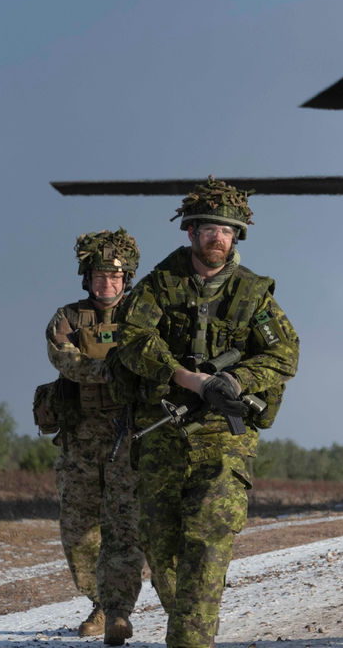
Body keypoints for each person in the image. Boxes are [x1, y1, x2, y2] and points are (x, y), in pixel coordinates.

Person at [111, 176, 298, 648]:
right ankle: (189, 622)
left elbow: (285, 354)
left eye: (228, 230)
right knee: (164, 549)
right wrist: (186, 378)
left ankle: (191, 641)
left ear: (237, 237)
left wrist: (235, 381)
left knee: (207, 544)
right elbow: (131, 340)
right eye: (210, 228)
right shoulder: (158, 285)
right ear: (190, 231)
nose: (219, 237)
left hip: (223, 438)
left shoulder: (253, 295)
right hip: (161, 434)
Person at [43, 228, 145, 645]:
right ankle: (99, 599)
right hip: (81, 438)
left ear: (127, 280)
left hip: (129, 435)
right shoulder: (66, 317)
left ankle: (117, 610)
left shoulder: (142, 315)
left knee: (123, 525)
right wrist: (106, 372)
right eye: (100, 277)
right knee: (79, 528)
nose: (108, 284)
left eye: (116, 278)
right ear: (87, 279)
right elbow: (63, 357)